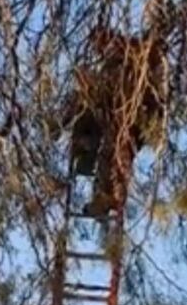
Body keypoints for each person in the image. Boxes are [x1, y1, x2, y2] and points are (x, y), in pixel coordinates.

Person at [65, 29, 165, 217]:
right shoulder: (119, 61)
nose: (99, 51)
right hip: (115, 120)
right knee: (108, 152)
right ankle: (103, 194)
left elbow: (141, 98)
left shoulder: (131, 61)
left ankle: (111, 198)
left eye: (99, 46)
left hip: (133, 121)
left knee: (116, 155)